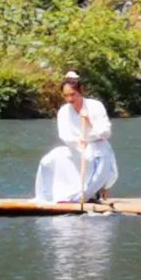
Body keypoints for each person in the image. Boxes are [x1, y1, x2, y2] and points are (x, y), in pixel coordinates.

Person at [34, 75, 119, 203]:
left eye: (73, 94)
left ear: (81, 91)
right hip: (76, 148)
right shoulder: (63, 111)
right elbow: (64, 135)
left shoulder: (95, 106)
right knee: (49, 159)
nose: (69, 99)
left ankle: (84, 194)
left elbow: (106, 132)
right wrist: (78, 141)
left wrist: (89, 123)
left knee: (90, 159)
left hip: (97, 149)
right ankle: (47, 196)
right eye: (66, 95)